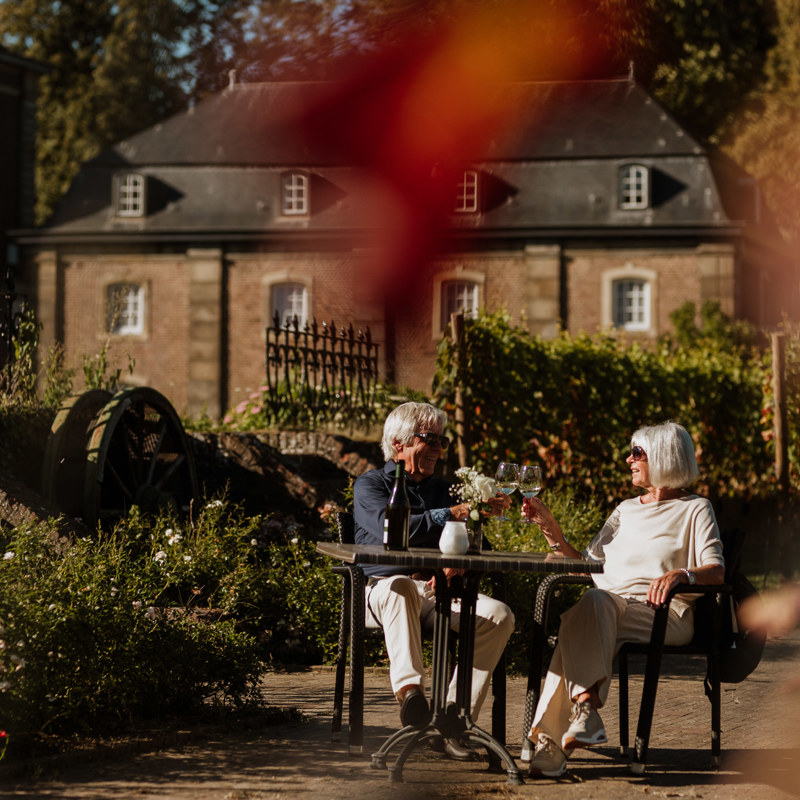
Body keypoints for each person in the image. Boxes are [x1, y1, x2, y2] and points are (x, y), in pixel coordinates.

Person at [522, 421, 725, 778]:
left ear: (662, 457)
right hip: (610, 606)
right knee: (593, 604)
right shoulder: (625, 510)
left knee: (582, 618)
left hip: (664, 612)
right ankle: (584, 713)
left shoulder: (696, 509)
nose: (628, 459)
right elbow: (586, 566)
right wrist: (549, 527)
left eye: (636, 453)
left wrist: (681, 574)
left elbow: (716, 571)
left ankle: (553, 740)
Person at [353, 401, 515, 760]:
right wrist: (452, 514)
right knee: (400, 588)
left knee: (500, 616)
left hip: (435, 591)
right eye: (430, 439)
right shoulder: (371, 484)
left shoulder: (446, 489)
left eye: (443, 441)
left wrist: (461, 560)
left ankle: (452, 720)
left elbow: (481, 548)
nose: (439, 449)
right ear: (399, 443)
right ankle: (411, 695)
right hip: (381, 591)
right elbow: (392, 530)